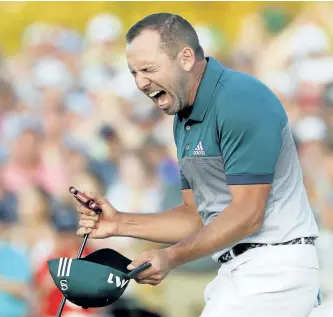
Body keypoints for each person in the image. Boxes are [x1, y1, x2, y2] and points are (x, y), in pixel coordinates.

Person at [76, 13, 320, 317]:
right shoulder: (184, 117)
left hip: (274, 272)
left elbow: (248, 213)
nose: (140, 83)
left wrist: (172, 256)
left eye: (149, 69)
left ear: (186, 58)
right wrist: (120, 223)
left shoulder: (240, 99)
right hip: (239, 273)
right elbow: (197, 216)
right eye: (134, 73)